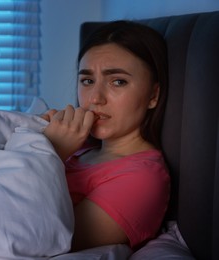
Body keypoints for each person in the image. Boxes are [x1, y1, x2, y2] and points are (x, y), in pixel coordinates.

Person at [41, 21, 170, 252]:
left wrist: (48, 153)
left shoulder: (142, 179)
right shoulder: (79, 147)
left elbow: (43, 238)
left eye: (118, 81)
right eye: (87, 81)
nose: (95, 98)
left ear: (153, 95)